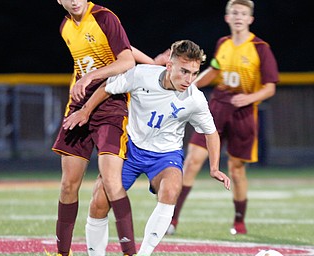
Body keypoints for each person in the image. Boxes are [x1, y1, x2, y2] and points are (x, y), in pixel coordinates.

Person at [63, 39, 231, 256]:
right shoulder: (142, 75)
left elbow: (211, 132)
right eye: (184, 71)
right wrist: (85, 111)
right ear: (169, 66)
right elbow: (107, 87)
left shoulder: (195, 99)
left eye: (193, 73)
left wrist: (214, 167)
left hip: (164, 156)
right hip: (130, 148)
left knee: (171, 189)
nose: (189, 79)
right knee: (99, 201)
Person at [50, 1, 169, 256]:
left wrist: (90, 76)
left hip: (112, 107)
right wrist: (152, 62)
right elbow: (119, 48)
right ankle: (63, 253)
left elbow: (126, 60)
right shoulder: (65, 27)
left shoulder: (104, 17)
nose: (74, 0)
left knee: (112, 181)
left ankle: (129, 252)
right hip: (78, 106)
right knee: (68, 184)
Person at [166, 0, 279, 236]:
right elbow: (214, 71)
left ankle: (239, 221)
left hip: (244, 113)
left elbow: (269, 88)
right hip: (217, 108)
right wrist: (190, 84)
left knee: (236, 170)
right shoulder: (223, 44)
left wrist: (249, 99)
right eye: (234, 12)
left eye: (243, 13)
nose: (238, 17)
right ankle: (172, 220)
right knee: (192, 162)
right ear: (227, 18)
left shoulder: (260, 48)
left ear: (250, 19)